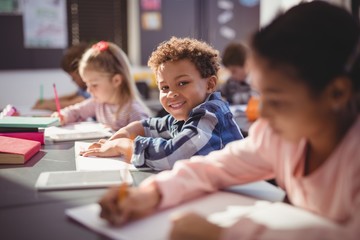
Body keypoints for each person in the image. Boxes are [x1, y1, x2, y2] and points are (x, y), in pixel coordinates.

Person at [97, 2, 360, 239]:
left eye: (277, 99)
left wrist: (222, 234)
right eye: (261, 93)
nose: (263, 114)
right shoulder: (278, 136)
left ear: (336, 93)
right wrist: (152, 193)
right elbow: (214, 167)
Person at [80, 37, 243, 170]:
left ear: (210, 84)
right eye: (164, 87)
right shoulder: (185, 114)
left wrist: (125, 145)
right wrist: (124, 133)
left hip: (239, 196)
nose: (171, 93)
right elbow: (151, 125)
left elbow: (173, 156)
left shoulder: (210, 115)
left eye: (182, 83)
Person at [51, 41, 150, 131]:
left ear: (116, 80)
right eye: (87, 84)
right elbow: (76, 112)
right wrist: (64, 116)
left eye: (94, 85)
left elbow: (143, 144)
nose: (89, 90)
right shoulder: (99, 103)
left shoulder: (134, 112)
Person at [32, 42, 91, 111]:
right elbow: (73, 95)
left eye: (74, 78)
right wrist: (49, 100)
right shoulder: (83, 88)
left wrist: (47, 105)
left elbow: (80, 101)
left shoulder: (92, 87)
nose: (72, 80)